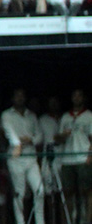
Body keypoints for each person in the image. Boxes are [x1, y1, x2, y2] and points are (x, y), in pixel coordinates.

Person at [1, 88, 45, 224]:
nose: (20, 98)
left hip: (31, 158)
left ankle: (40, 221)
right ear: (12, 98)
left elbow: (39, 136)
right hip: (16, 158)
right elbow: (9, 133)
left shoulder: (31, 115)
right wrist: (18, 143)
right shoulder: (6, 115)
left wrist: (30, 139)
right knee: (19, 194)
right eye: (17, 96)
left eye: (22, 96)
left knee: (40, 190)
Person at [55, 89, 92, 224]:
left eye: (79, 95)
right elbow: (57, 139)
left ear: (83, 98)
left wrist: (90, 157)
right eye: (74, 95)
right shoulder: (65, 117)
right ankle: (68, 220)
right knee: (67, 193)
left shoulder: (89, 115)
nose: (77, 98)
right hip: (67, 159)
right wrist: (63, 136)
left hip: (83, 159)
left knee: (86, 192)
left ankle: (86, 220)